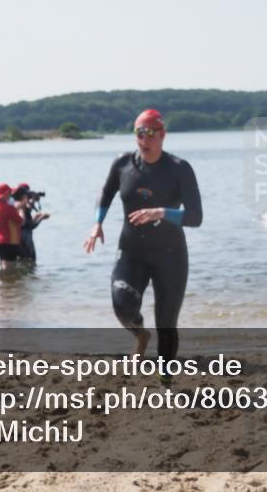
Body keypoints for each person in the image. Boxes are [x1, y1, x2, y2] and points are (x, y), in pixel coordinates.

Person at [84, 109, 202, 369]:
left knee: (166, 323)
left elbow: (195, 217)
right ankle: (140, 335)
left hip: (170, 254)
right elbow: (105, 193)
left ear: (163, 135)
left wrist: (160, 212)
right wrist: (97, 223)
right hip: (132, 251)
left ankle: (165, 379)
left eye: (150, 133)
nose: (144, 139)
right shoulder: (123, 164)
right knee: (122, 305)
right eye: (139, 133)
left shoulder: (179, 169)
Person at [0, 183, 23, 270]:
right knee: (10, 268)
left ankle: (3, 282)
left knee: (4, 266)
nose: (11, 195)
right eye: (10, 192)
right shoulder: (8, 208)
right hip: (9, 241)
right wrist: (21, 209)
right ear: (6, 193)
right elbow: (20, 221)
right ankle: (8, 283)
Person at [12, 183, 50, 262]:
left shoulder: (14, 204)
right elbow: (29, 225)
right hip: (24, 237)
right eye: (27, 194)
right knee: (30, 259)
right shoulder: (21, 206)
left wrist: (35, 217)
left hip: (15, 236)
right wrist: (41, 218)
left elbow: (25, 220)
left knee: (20, 259)